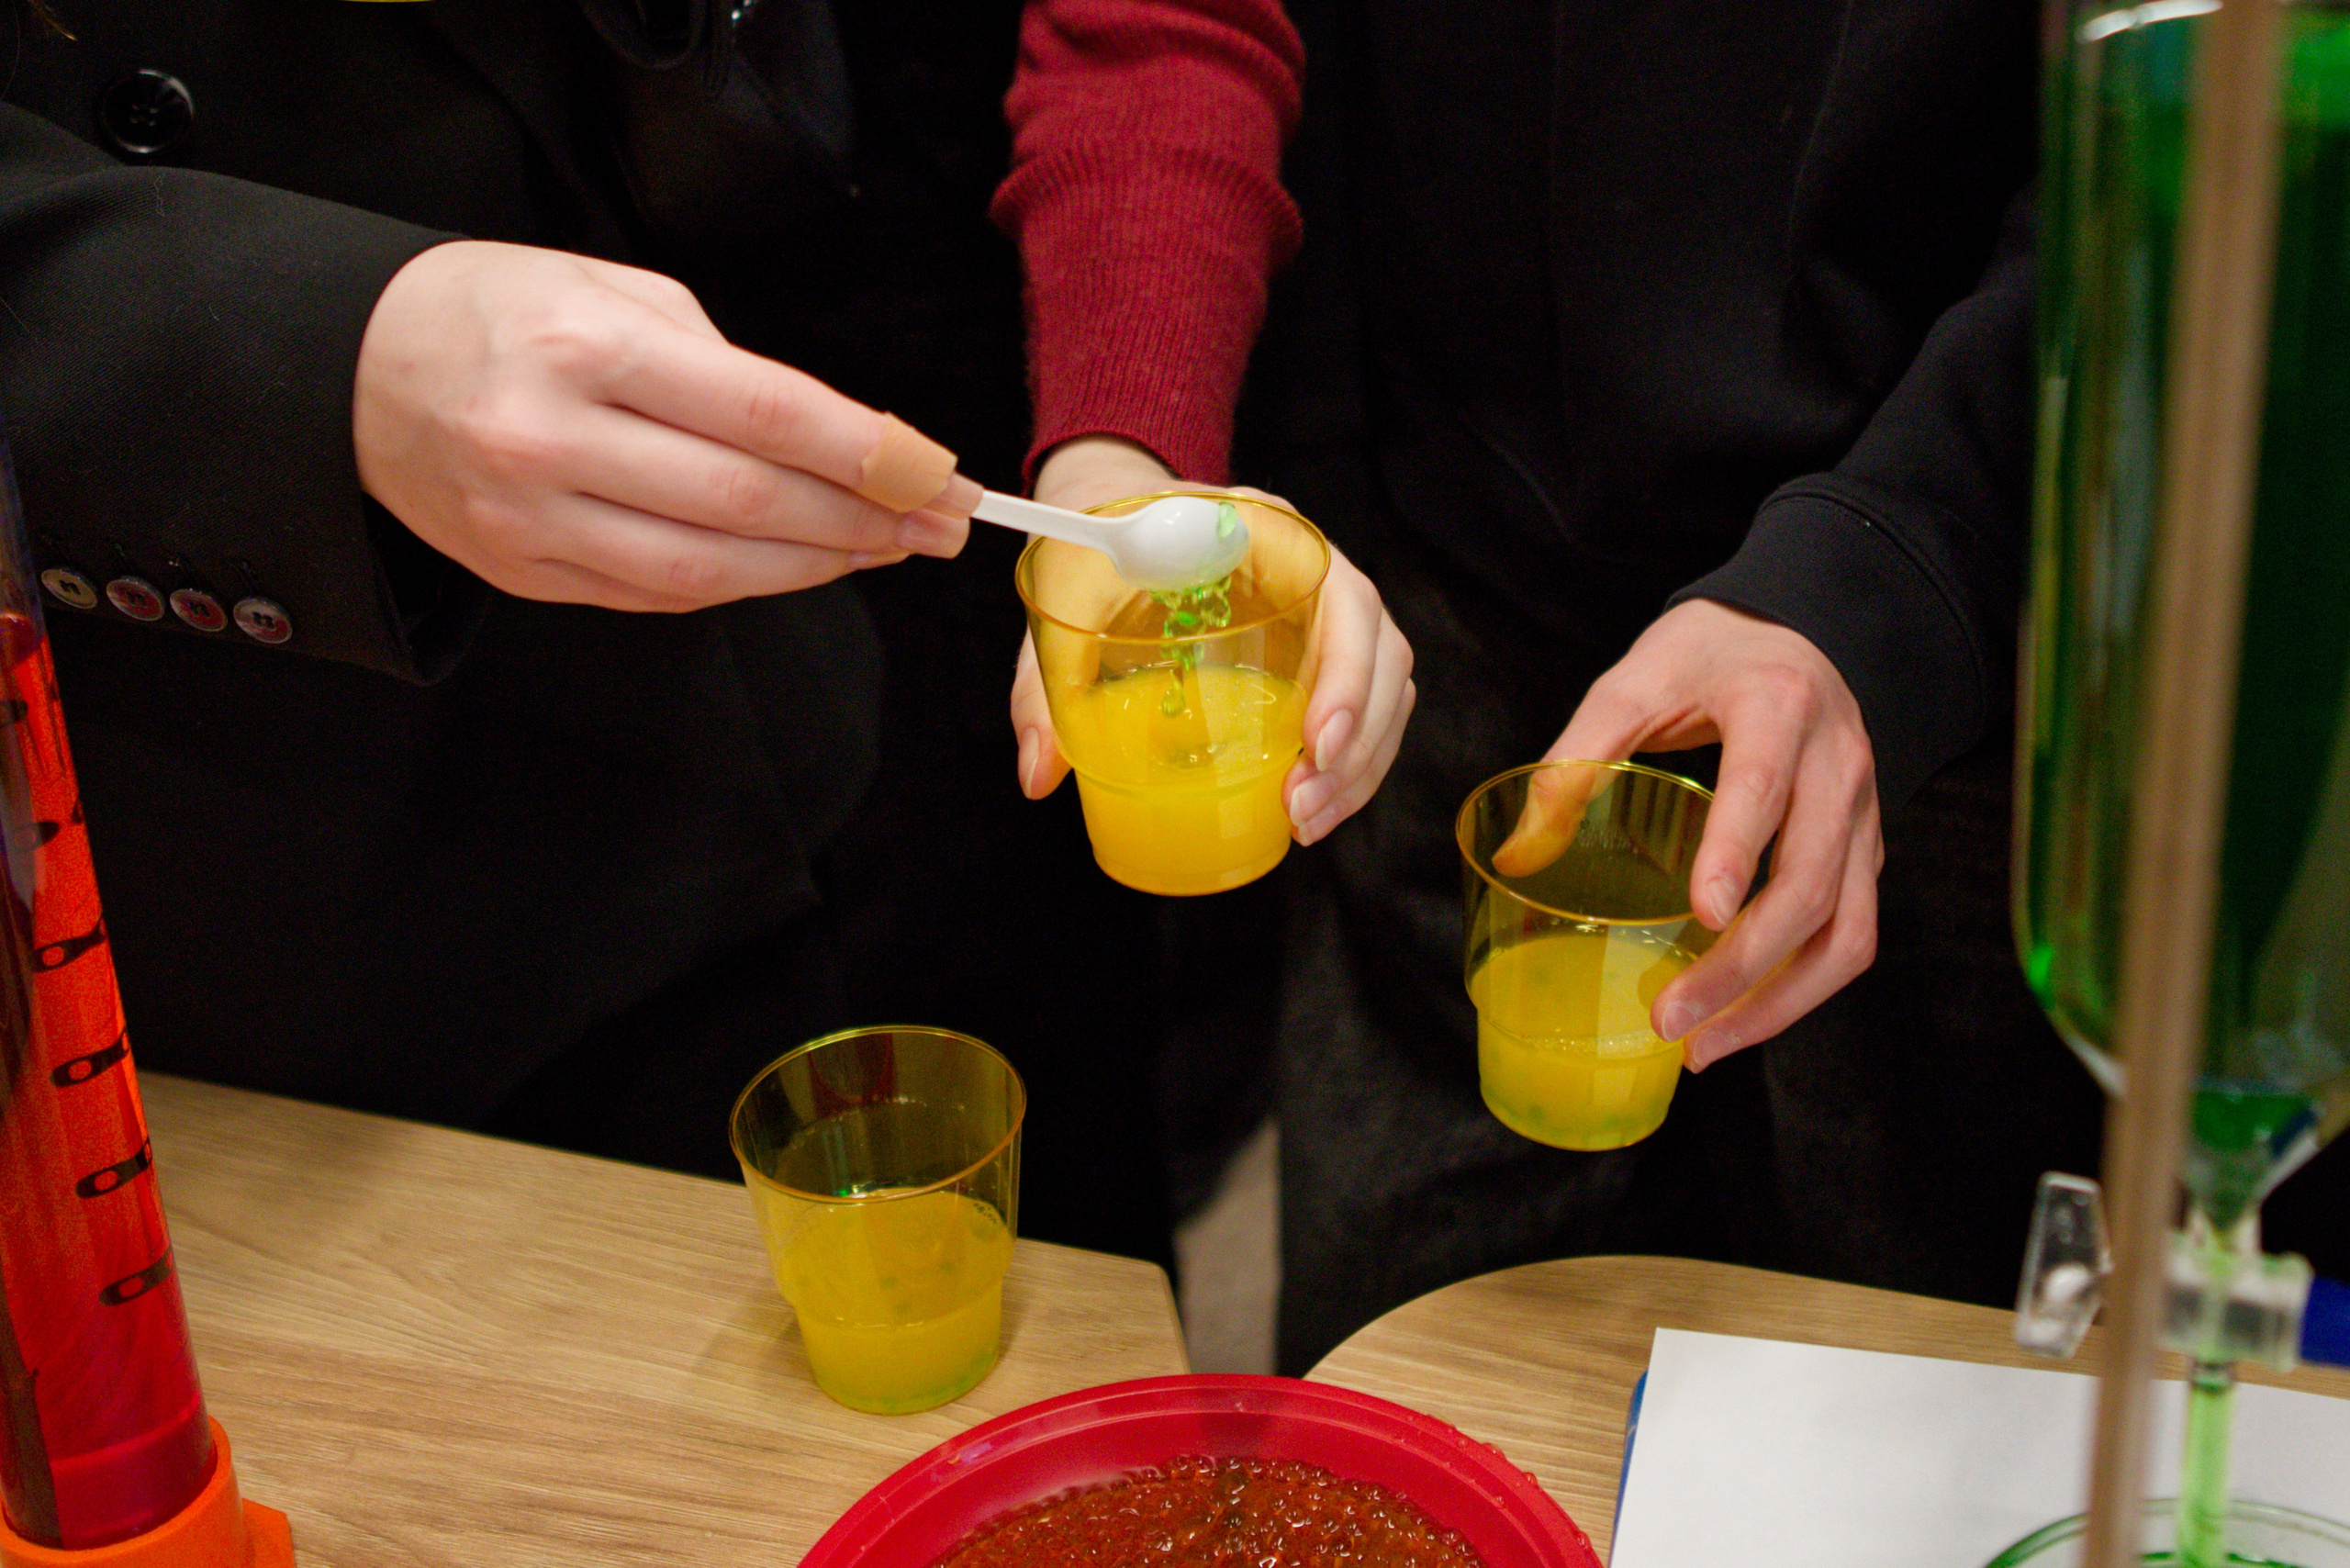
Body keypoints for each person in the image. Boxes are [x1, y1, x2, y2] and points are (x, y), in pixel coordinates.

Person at [0, 0, 1409, 1268]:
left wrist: (1122, 446)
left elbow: (1146, 24)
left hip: (868, 567)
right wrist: (303, 351)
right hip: (267, 757)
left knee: (1027, 1286)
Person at [1245, 0, 2116, 1371]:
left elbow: (2200, 142)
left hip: (1954, 619)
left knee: (1882, 1404)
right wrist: (1313, 463)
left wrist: (1890, 572)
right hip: (1449, 568)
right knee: (1419, 1384)